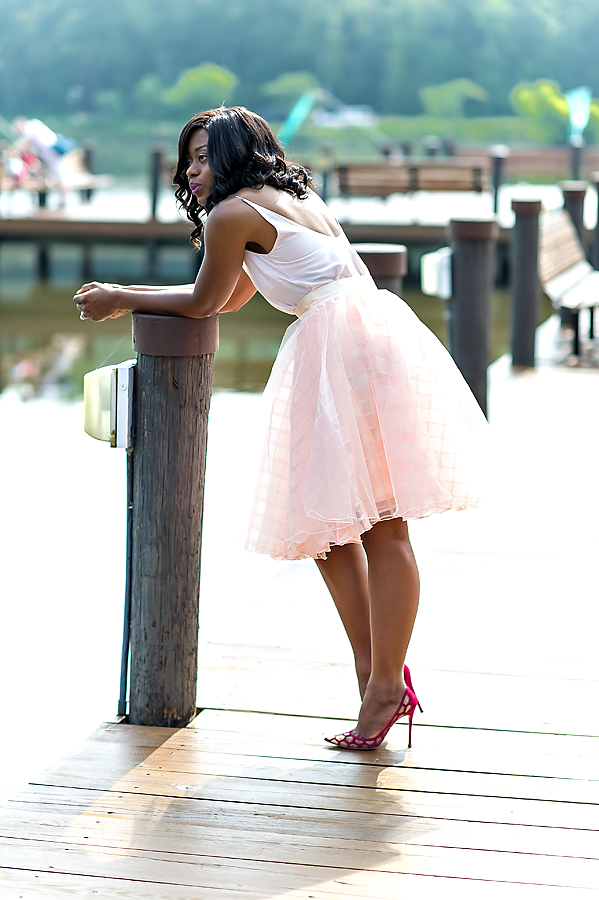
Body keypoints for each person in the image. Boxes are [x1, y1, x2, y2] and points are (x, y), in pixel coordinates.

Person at [74, 107, 488, 750]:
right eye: (189, 159)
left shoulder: (231, 214)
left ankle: (382, 685)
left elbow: (203, 303)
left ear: (236, 154)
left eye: (205, 156)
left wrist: (122, 296)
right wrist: (142, 293)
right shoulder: (290, 199)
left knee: (380, 524)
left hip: (341, 346)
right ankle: (376, 677)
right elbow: (230, 295)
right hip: (368, 335)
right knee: (331, 526)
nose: (193, 170)